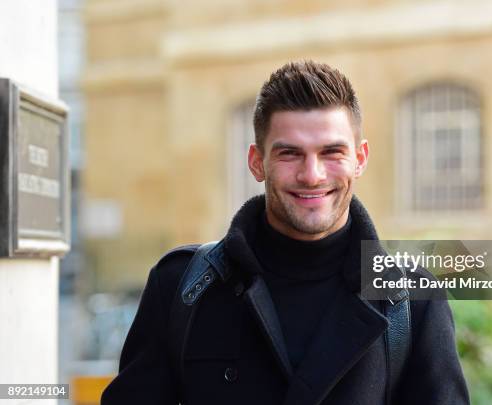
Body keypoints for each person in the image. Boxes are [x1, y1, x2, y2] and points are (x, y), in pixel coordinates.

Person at [101, 60, 469, 405]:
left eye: (332, 152)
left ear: (359, 159)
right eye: (290, 153)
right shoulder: (182, 286)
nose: (312, 175)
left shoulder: (414, 301)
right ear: (257, 162)